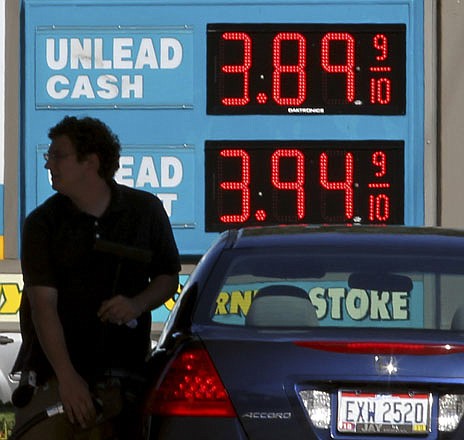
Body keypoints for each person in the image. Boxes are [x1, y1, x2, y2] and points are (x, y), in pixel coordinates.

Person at [11, 116, 181, 439]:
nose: (48, 163)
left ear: (91, 162)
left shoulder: (146, 211)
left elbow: (167, 277)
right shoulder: (41, 224)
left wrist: (136, 304)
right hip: (54, 375)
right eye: (48, 155)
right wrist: (68, 379)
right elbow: (43, 306)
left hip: (124, 376)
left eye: (58, 155)